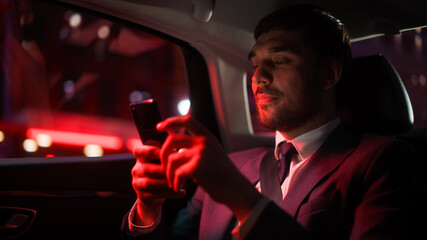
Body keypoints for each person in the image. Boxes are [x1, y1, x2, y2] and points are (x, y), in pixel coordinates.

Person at [123, 4, 417, 239]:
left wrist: (238, 194)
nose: (258, 79)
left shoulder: (381, 162)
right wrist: (149, 207)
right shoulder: (234, 164)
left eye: (279, 61)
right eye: (255, 64)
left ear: (328, 75)